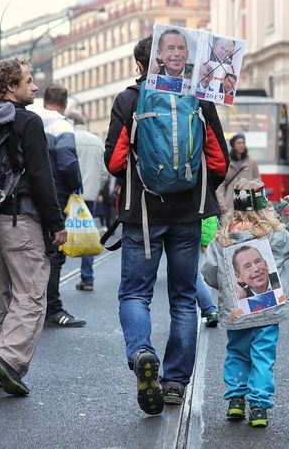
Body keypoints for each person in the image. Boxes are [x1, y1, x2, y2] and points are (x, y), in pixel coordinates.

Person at [105, 35, 229, 415]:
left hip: (142, 214)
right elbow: (219, 163)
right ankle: (176, 382)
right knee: (182, 299)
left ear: (140, 64)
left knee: (135, 294)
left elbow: (113, 162)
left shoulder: (129, 100)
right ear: (165, 57)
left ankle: (142, 351)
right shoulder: (200, 98)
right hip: (187, 216)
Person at [0, 57, 67, 395]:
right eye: (28, 80)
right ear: (11, 87)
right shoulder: (28, 121)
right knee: (32, 292)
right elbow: (40, 176)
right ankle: (8, 360)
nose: (35, 86)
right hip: (19, 218)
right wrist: (55, 222)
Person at [201, 179, 289, 428]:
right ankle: (258, 406)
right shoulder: (271, 234)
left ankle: (236, 401)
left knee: (237, 353)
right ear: (263, 206)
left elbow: (209, 272)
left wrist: (228, 289)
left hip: (238, 313)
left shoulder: (223, 237)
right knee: (262, 356)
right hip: (268, 310)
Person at [40, 84, 86, 327]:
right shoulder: (61, 125)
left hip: (28, 197)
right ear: (65, 104)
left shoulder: (32, 119)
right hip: (55, 196)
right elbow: (67, 163)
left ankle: (33, 307)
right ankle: (53, 309)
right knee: (54, 254)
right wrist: (76, 186)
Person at [65, 109, 108, 292]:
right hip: (89, 196)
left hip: (68, 196)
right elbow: (105, 172)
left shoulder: (67, 139)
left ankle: (50, 282)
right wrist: (96, 187)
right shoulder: (96, 141)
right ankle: (87, 278)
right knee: (89, 233)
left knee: (60, 232)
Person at [216, 133, 259, 213]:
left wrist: (258, 202)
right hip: (230, 204)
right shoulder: (227, 162)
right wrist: (222, 203)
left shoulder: (252, 162)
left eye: (243, 142)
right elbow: (221, 185)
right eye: (238, 143)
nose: (241, 145)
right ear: (233, 145)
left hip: (248, 203)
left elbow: (258, 183)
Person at [197, 215, 219, 327]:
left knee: (194, 274)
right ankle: (209, 309)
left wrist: (205, 241)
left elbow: (206, 219)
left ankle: (209, 309)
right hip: (205, 234)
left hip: (198, 235)